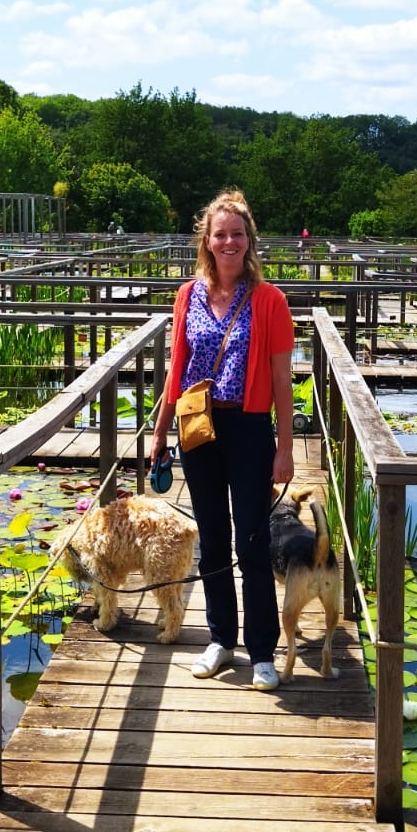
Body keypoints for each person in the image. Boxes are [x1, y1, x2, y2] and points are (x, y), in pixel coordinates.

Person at [150, 189, 294, 691]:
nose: (228, 241)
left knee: (252, 539)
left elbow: (281, 380)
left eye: (237, 233)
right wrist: (160, 430)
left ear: (248, 239)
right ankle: (220, 640)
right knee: (210, 538)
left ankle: (261, 651)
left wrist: (285, 446)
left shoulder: (270, 300)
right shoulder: (188, 295)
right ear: (207, 241)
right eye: (220, 234)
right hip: (198, 427)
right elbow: (177, 369)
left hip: (249, 428)